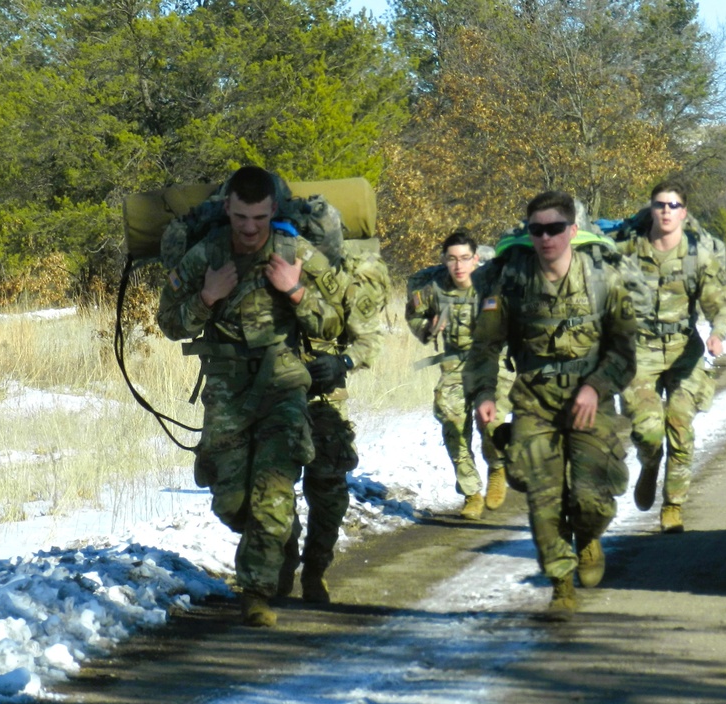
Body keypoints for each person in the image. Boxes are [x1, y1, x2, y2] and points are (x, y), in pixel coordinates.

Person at [157, 165, 343, 628]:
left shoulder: (294, 253)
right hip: (226, 389)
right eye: (241, 217)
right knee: (231, 502)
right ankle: (281, 539)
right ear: (227, 209)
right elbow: (169, 323)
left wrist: (296, 292)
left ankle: (257, 594)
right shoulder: (208, 256)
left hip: (283, 384)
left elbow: (334, 325)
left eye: (259, 218)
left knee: (273, 495)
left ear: (273, 210)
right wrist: (207, 297)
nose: (249, 228)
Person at [466, 191, 636, 621]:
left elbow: (624, 351)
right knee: (543, 497)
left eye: (554, 229)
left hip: (589, 399)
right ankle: (561, 585)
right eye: (536, 230)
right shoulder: (510, 280)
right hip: (534, 399)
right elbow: (485, 345)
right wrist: (485, 394)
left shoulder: (604, 279)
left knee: (591, 499)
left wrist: (596, 386)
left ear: (572, 231)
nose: (545, 239)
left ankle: (588, 535)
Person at [615, 180, 726, 534]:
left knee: (680, 426)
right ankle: (650, 464)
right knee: (648, 430)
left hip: (685, 350)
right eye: (660, 205)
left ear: (684, 212)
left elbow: (718, 301)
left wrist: (717, 333)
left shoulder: (698, 254)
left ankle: (673, 506)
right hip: (639, 351)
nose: (666, 211)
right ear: (651, 209)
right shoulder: (626, 250)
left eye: (674, 206)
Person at [277, 238, 388, 604]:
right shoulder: (258, 260)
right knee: (273, 491)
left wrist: (342, 362)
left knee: (328, 495)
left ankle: (315, 570)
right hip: (272, 397)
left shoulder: (342, 271)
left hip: (324, 399)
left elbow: (368, 339)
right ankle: (282, 565)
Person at [406, 230, 513, 521]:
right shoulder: (432, 286)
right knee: (451, 420)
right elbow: (413, 316)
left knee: (490, 421)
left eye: (465, 258)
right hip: (454, 365)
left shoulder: (493, 282)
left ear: (476, 259)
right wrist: (428, 327)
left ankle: (497, 465)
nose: (458, 266)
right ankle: (471, 493)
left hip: (493, 362)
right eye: (452, 259)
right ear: (443, 260)